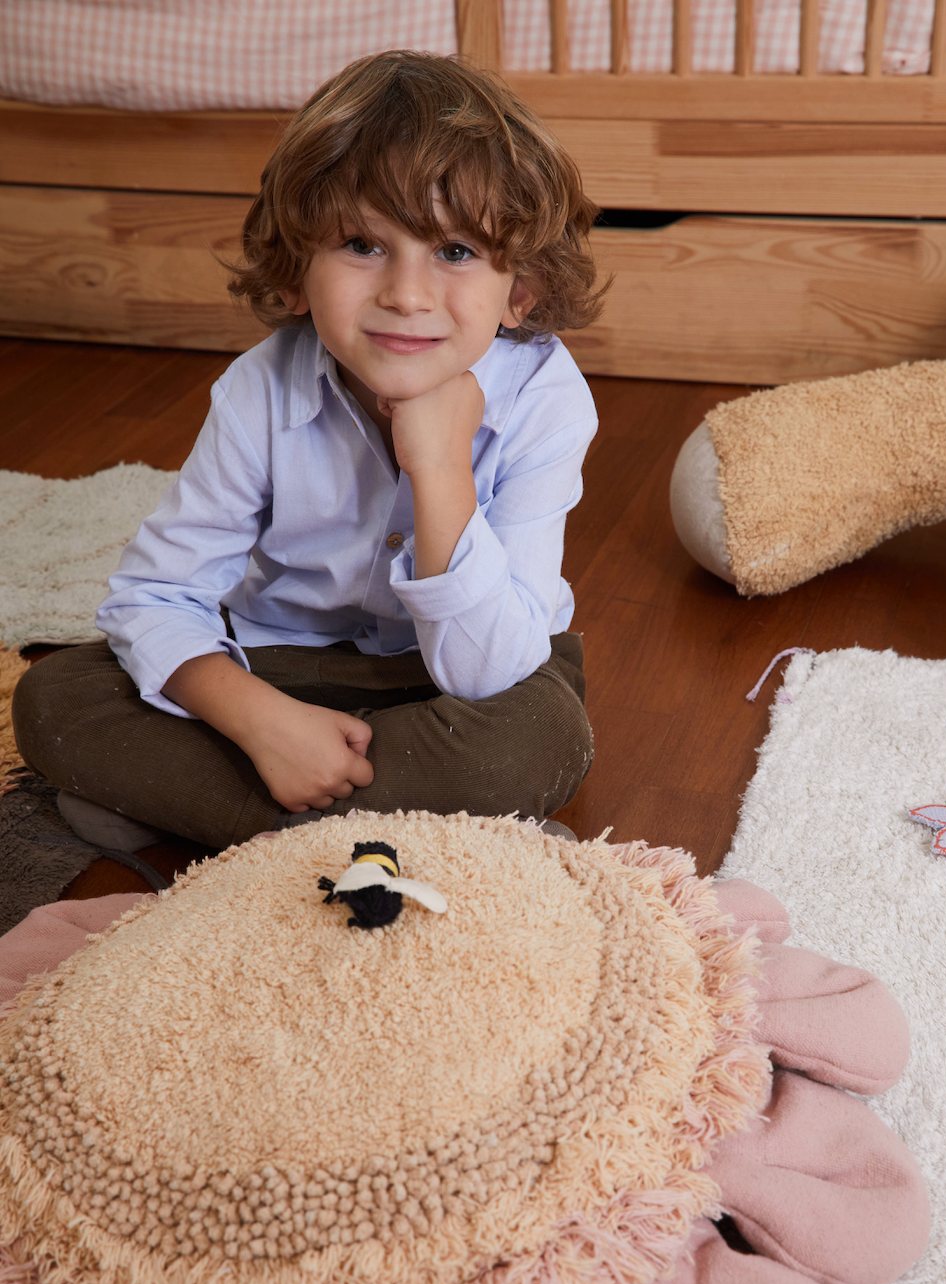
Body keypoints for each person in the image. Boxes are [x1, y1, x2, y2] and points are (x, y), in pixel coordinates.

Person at [13, 50, 604, 853]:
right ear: (295, 274)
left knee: (533, 742)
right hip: (279, 660)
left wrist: (438, 468)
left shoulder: (547, 400)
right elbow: (153, 599)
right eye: (363, 244)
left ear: (521, 293)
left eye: (456, 252)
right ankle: (396, 832)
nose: (407, 292)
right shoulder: (259, 389)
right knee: (55, 699)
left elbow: (489, 673)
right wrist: (260, 721)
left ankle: (213, 827)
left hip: (465, 674)